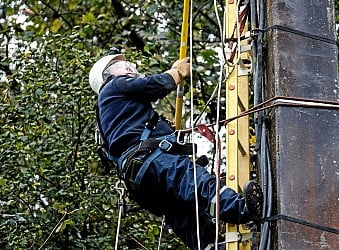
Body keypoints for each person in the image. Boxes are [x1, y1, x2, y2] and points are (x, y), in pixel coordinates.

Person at [88, 51, 262, 249]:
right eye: (122, 65)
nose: (129, 67)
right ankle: (241, 208)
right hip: (152, 161)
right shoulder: (114, 85)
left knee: (184, 215)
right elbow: (152, 86)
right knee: (194, 181)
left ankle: (214, 246)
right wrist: (175, 73)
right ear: (107, 75)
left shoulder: (106, 116)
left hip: (139, 183)